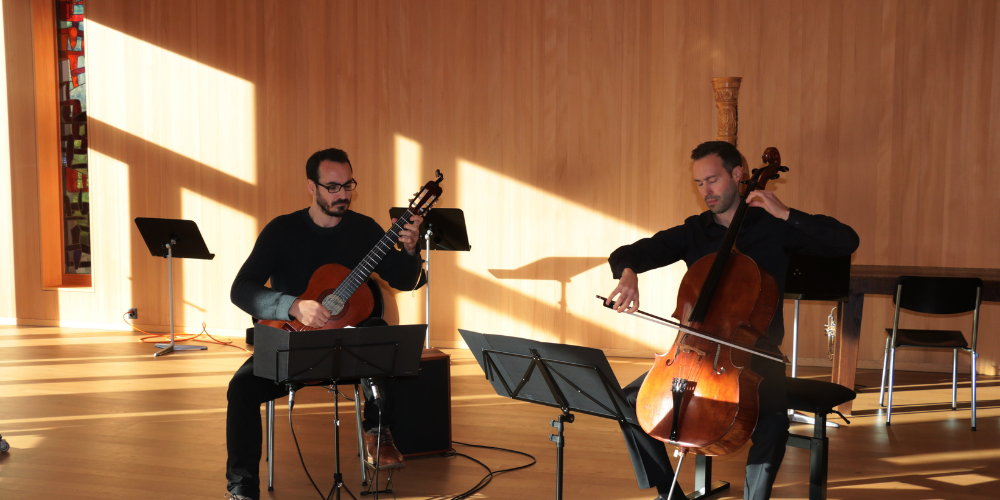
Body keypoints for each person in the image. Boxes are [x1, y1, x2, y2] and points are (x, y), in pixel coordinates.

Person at [605, 141, 859, 500]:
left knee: (772, 425)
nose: (706, 191)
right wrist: (628, 273)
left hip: (757, 352)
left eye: (712, 180)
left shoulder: (774, 226)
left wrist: (786, 213)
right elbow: (631, 252)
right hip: (693, 351)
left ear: (737, 175)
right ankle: (669, 493)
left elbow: (845, 241)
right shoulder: (694, 231)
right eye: (699, 184)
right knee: (628, 401)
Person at [225, 148, 426, 500]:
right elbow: (242, 289)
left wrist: (411, 251)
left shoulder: (364, 230)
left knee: (379, 331)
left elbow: (405, 281)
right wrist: (293, 306)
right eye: (332, 187)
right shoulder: (282, 231)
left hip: (349, 353)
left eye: (347, 185)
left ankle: (378, 429)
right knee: (240, 389)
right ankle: (242, 490)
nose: (343, 194)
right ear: (311, 186)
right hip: (292, 345)